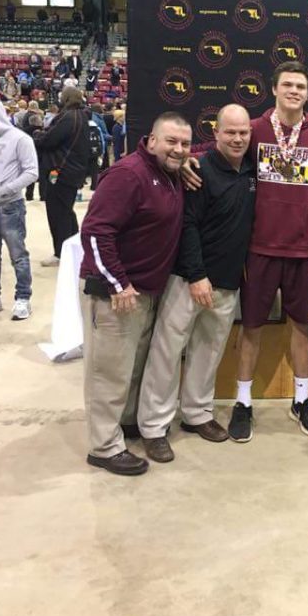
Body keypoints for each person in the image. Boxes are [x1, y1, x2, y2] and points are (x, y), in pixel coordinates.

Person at [184, 62, 308, 440]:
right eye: (287, 84)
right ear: (274, 89)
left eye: (301, 86)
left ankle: (302, 401)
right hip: (258, 250)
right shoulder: (254, 130)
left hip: (304, 251)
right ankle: (243, 402)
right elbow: (224, 143)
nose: (294, 91)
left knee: (303, 326)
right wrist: (191, 159)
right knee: (251, 327)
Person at [137, 105, 256, 463]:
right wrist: (196, 274)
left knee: (209, 351)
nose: (237, 139)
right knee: (167, 353)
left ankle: (198, 414)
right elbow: (186, 225)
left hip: (227, 282)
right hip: (189, 279)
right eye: (230, 132)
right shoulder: (198, 169)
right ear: (215, 133)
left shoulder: (252, 170)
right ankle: (155, 427)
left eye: (243, 133)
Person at [80, 112, 192, 476]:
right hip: (115, 294)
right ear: (151, 140)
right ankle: (104, 447)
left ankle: (124, 425)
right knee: (108, 372)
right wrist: (117, 283)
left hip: (144, 292)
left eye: (185, 143)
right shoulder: (129, 175)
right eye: (171, 141)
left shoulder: (170, 172)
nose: (178, 149)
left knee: (130, 369)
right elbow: (96, 232)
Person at [0, 97, 38, 319]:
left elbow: (31, 172)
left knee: (18, 255)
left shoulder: (21, 139)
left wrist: (4, 191)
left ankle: (23, 298)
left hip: (9, 207)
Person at [34, 86, 91, 266]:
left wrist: (36, 135)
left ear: (65, 98)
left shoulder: (68, 117)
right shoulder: (81, 115)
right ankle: (73, 249)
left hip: (61, 172)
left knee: (57, 213)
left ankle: (61, 253)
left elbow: (49, 140)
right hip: (72, 172)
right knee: (66, 212)